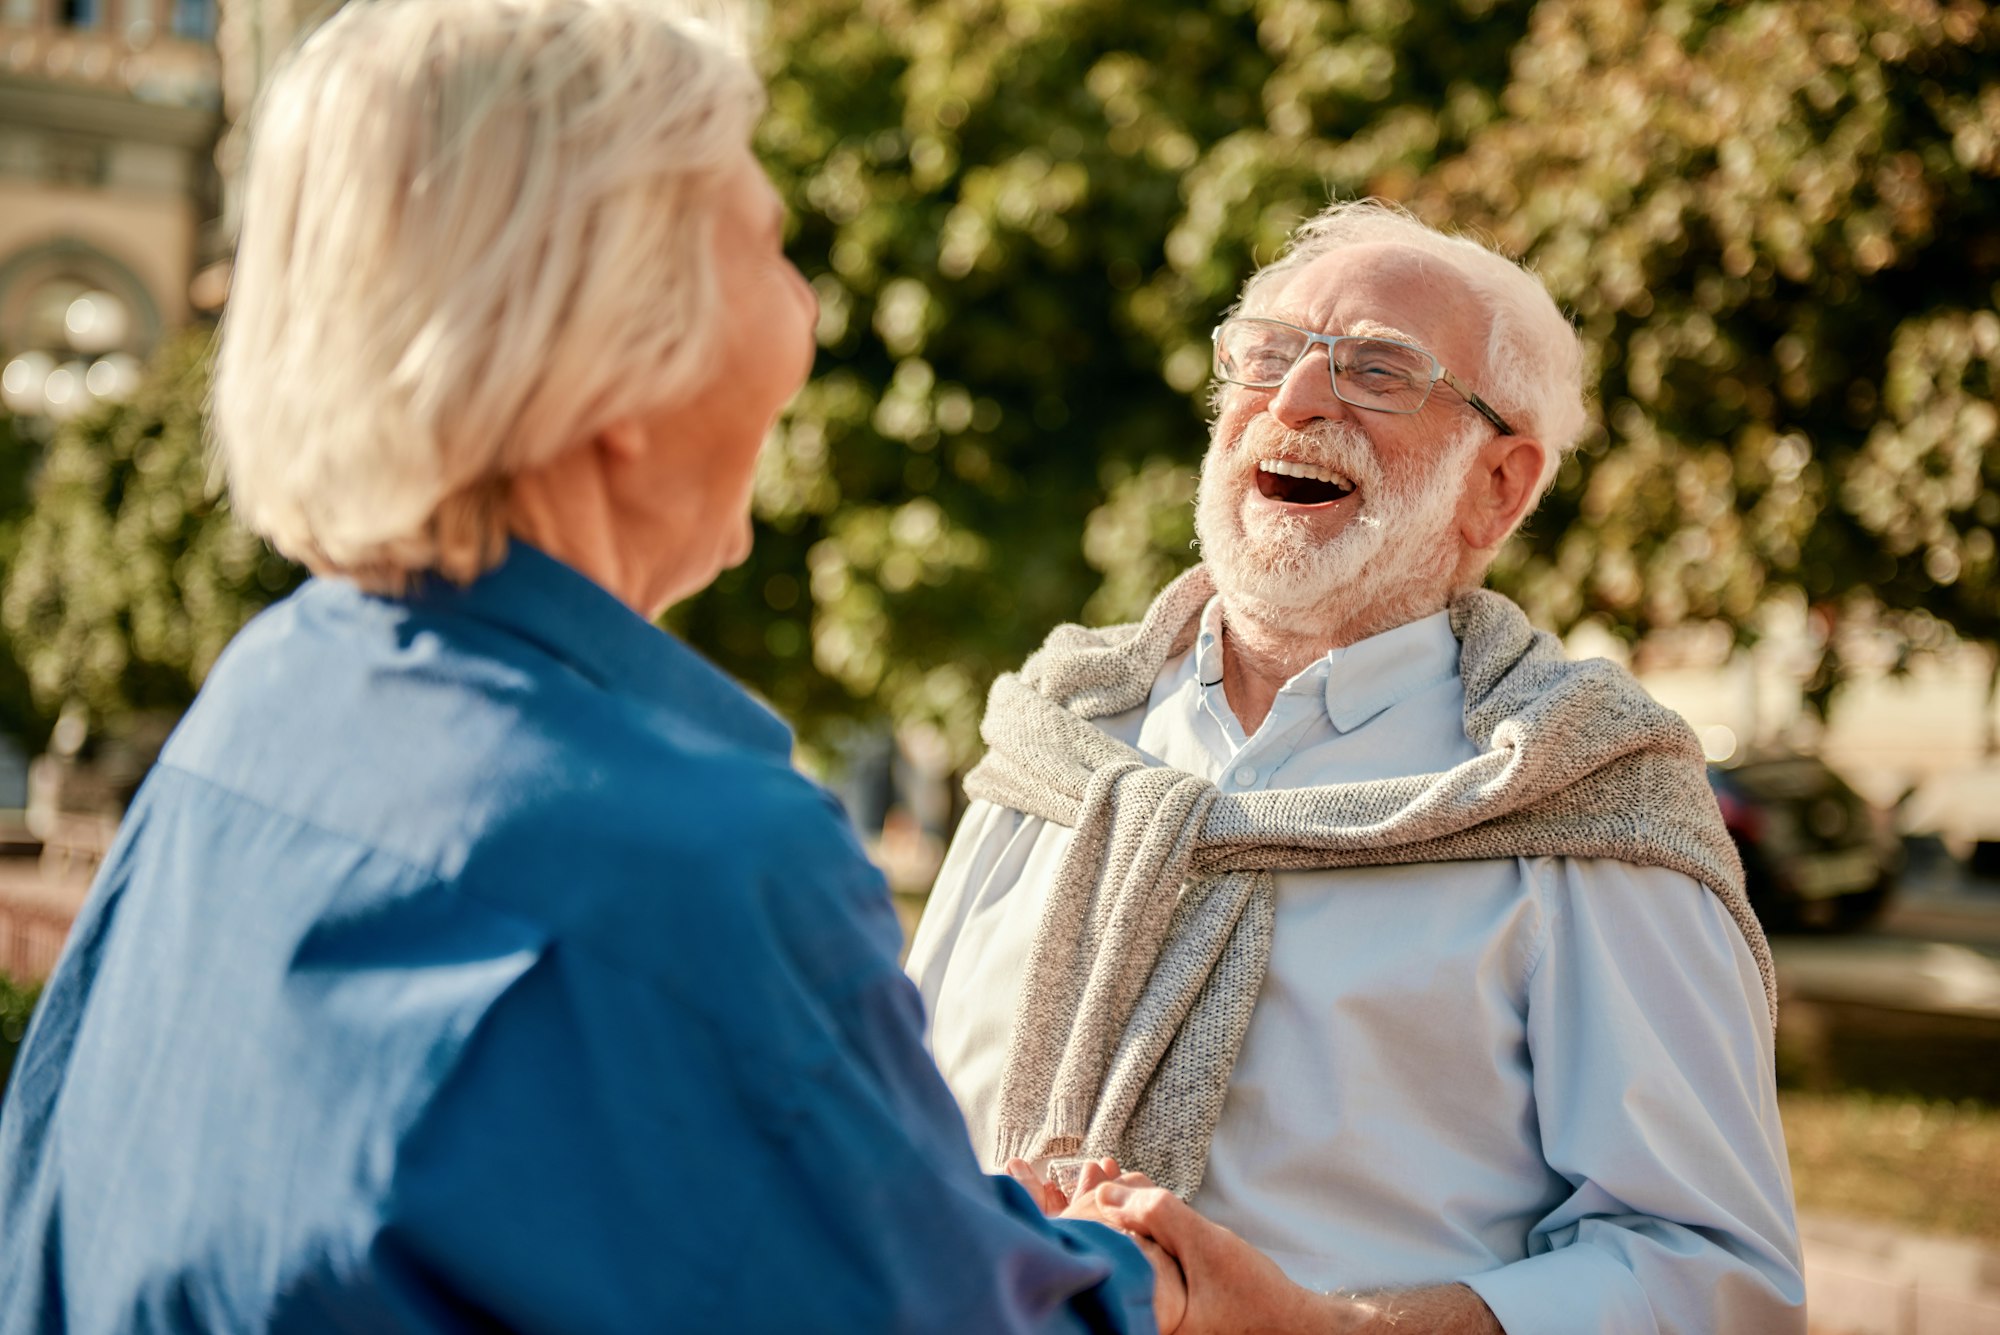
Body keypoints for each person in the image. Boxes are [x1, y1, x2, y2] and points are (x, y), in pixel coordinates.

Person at [0, 1, 1177, 1328]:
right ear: (622, 354)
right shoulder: (696, 863)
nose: (805, 311)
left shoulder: (267, 691)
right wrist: (1143, 1276)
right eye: (773, 248)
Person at [907, 201, 1807, 1333]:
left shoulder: (1586, 798)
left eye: (1377, 370)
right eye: (1264, 355)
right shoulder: (1054, 744)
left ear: (1500, 486)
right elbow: (894, 1126)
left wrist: (1320, 1329)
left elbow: (1712, 1282)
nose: (1292, 401)